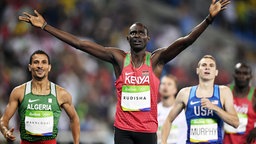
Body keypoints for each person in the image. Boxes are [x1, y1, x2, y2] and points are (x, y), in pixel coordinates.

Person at [18, 0, 230, 143]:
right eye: (133, 33)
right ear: (128, 38)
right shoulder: (118, 58)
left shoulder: (156, 60)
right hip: (123, 131)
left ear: (148, 39)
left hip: (147, 132)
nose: (137, 35)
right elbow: (81, 44)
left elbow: (187, 41)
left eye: (141, 33)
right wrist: (46, 26)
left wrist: (209, 19)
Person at [0, 50, 80, 144]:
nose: (40, 66)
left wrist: (76, 142)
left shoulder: (61, 94)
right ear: (30, 67)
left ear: (49, 67)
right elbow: (4, 119)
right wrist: (5, 132)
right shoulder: (19, 92)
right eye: (36, 62)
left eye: (44, 62)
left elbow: (74, 118)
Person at [161, 55, 239, 144]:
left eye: (211, 66)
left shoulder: (224, 92)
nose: (207, 68)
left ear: (216, 72)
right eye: (204, 65)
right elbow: (168, 120)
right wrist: (163, 142)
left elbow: (235, 123)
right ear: (197, 70)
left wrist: (215, 108)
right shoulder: (185, 93)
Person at [223, 62, 256, 144]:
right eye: (238, 73)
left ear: (250, 76)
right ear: (234, 75)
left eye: (245, 73)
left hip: (247, 141)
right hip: (226, 141)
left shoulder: (254, 94)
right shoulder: (225, 91)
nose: (241, 76)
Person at [157, 74, 187, 144]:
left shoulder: (183, 110)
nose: (165, 86)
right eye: (163, 83)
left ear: (175, 89)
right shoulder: (154, 110)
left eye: (169, 84)